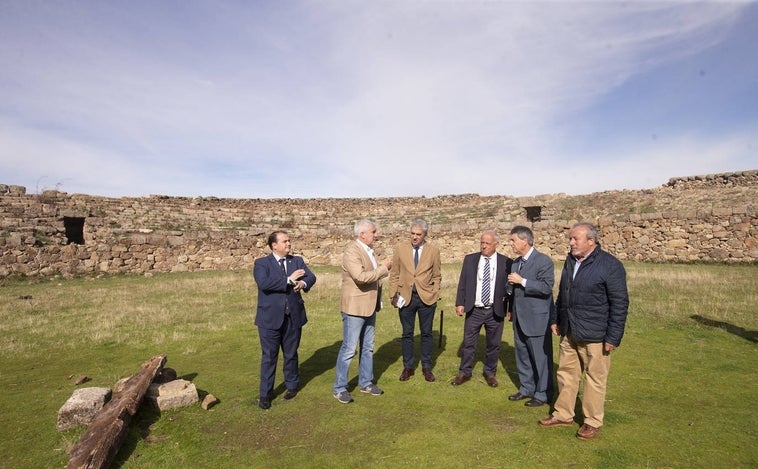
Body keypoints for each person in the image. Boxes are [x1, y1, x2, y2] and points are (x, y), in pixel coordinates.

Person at [538, 222, 629, 440]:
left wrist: (613, 337)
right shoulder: (571, 261)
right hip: (569, 331)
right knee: (566, 375)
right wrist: (556, 319)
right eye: (570, 238)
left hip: (596, 335)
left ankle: (592, 421)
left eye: (574, 239)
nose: (570, 243)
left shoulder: (610, 265)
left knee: (594, 379)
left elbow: (620, 303)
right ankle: (563, 414)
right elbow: (563, 294)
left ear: (591, 241)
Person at [253, 230, 317, 410]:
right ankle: (265, 394)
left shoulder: (296, 261)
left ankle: (292, 385)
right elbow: (264, 284)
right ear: (274, 246)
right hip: (269, 320)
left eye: (289, 241)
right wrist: (289, 279)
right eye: (285, 241)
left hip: (293, 318)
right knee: (269, 357)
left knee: (291, 354)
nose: (289, 244)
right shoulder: (261, 264)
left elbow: (311, 277)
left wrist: (303, 283)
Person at [333, 219, 392, 404]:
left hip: (369, 307)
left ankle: (366, 382)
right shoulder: (352, 251)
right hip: (354, 308)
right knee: (350, 349)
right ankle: (339, 388)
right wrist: (384, 269)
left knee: (367, 348)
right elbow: (360, 277)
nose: (376, 235)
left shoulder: (368, 250)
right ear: (362, 234)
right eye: (373, 232)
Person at [452, 230, 512, 387]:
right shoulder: (470, 260)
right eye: (482, 243)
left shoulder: (506, 262)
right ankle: (465, 372)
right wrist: (460, 303)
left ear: (496, 245)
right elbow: (463, 282)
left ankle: (490, 372)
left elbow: (510, 288)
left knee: (494, 344)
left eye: (487, 243)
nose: (484, 246)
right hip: (475, 309)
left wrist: (510, 308)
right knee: (469, 342)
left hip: (495, 310)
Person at [506, 225, 555, 407]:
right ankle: (526, 388)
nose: (510, 243)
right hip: (519, 318)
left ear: (525, 241)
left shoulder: (543, 261)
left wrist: (522, 281)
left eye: (513, 240)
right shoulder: (515, 262)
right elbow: (514, 289)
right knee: (523, 355)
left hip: (537, 319)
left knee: (540, 358)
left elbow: (546, 287)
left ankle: (543, 394)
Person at [388, 218, 442, 382]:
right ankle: (408, 367)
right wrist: (393, 295)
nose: (414, 237)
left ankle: (426, 367)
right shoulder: (400, 249)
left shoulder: (433, 251)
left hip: (427, 298)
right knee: (407, 334)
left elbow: (437, 275)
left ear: (425, 234)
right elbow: (394, 274)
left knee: (426, 334)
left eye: (418, 234)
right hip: (406, 298)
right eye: (412, 233)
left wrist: (435, 292)